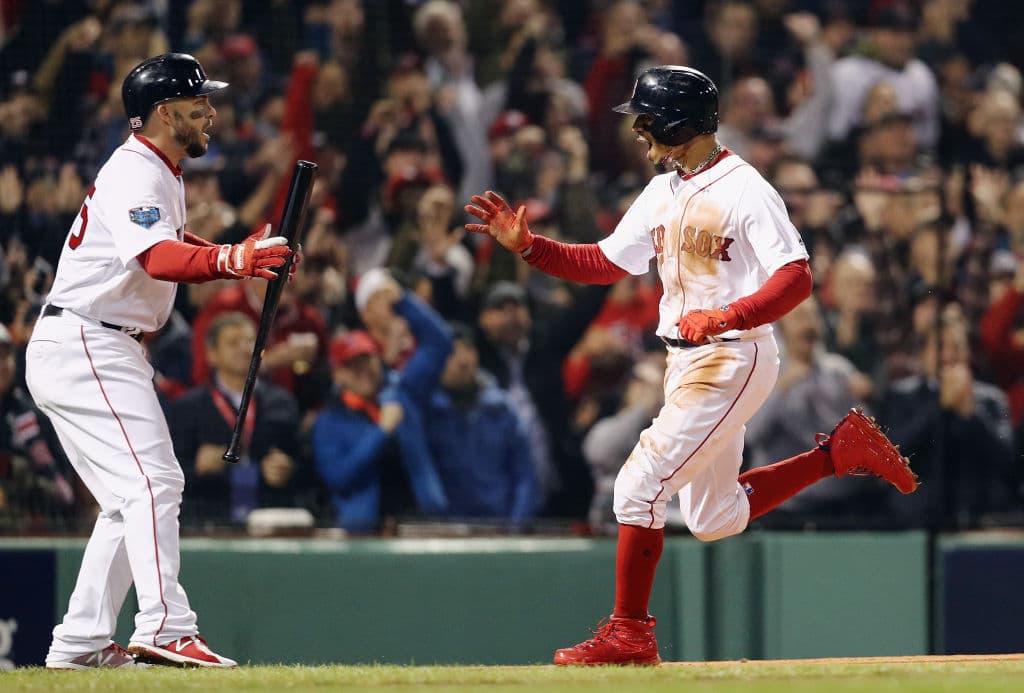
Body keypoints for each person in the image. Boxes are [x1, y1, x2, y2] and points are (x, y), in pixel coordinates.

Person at [465, 64, 919, 666]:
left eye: (647, 120)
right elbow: (604, 263)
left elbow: (797, 276)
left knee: (638, 486)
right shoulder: (664, 188)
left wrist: (728, 316)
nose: (638, 132)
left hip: (733, 355)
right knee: (714, 516)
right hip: (690, 359)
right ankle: (838, 452)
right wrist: (529, 247)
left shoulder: (745, 187)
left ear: (679, 121)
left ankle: (630, 632)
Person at [25, 53, 297, 669]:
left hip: (92, 343)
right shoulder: (136, 171)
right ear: (162, 113)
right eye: (199, 106)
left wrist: (246, 252)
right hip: (88, 341)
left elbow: (171, 244)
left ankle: (79, 643)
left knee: (130, 498)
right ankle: (167, 627)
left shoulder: (158, 169)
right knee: (154, 483)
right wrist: (234, 260)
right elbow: (158, 259)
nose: (212, 115)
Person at [311, 272, 451, 533]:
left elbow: (439, 343)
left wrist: (403, 302)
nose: (363, 371)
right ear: (338, 374)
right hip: (364, 533)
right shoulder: (329, 421)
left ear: (379, 360)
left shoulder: (403, 391)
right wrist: (381, 432)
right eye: (352, 366)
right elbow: (338, 477)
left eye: (367, 361)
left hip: (422, 523)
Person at [169, 312, 305, 528]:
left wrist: (288, 469)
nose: (244, 348)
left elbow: (305, 466)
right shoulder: (188, 407)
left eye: (250, 341)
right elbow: (167, 475)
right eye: (233, 342)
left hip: (270, 518)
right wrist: (196, 468)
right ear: (212, 354)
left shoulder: (282, 402)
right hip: (207, 520)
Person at [424, 323, 537, 527]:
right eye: (452, 353)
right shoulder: (426, 413)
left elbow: (525, 477)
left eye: (468, 349)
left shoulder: (503, 409)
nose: (463, 360)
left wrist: (515, 528)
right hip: (446, 532)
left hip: (500, 527)